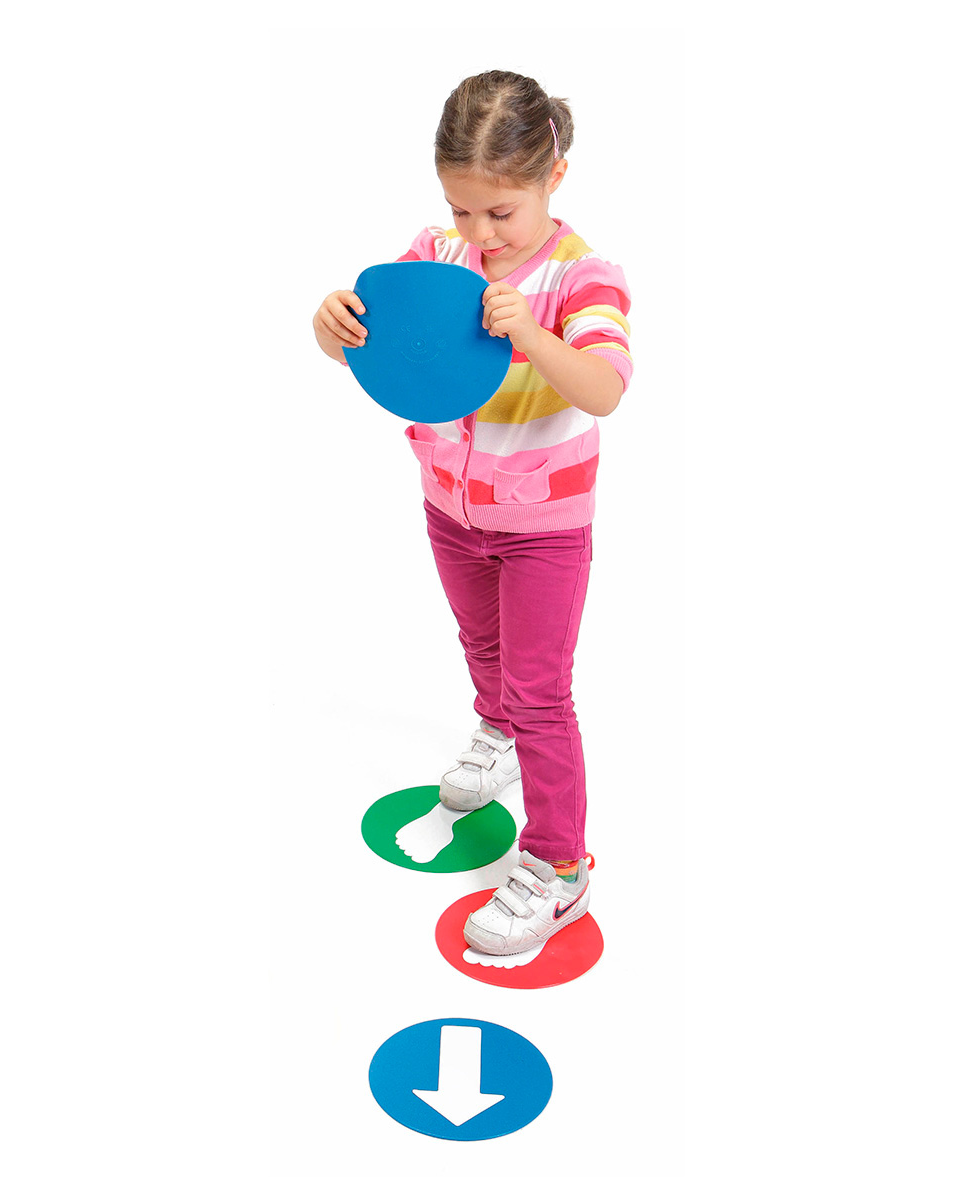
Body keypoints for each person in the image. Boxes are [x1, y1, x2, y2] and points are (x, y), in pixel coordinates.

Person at [311, 70, 633, 957]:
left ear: (552, 178)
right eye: (462, 209)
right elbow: (385, 352)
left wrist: (530, 332)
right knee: (483, 649)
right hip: (451, 507)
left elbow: (604, 388)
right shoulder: (436, 255)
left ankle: (560, 866)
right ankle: (496, 735)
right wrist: (332, 328)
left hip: (545, 528)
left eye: (501, 212)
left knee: (542, 692)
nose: (480, 234)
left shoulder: (582, 275)